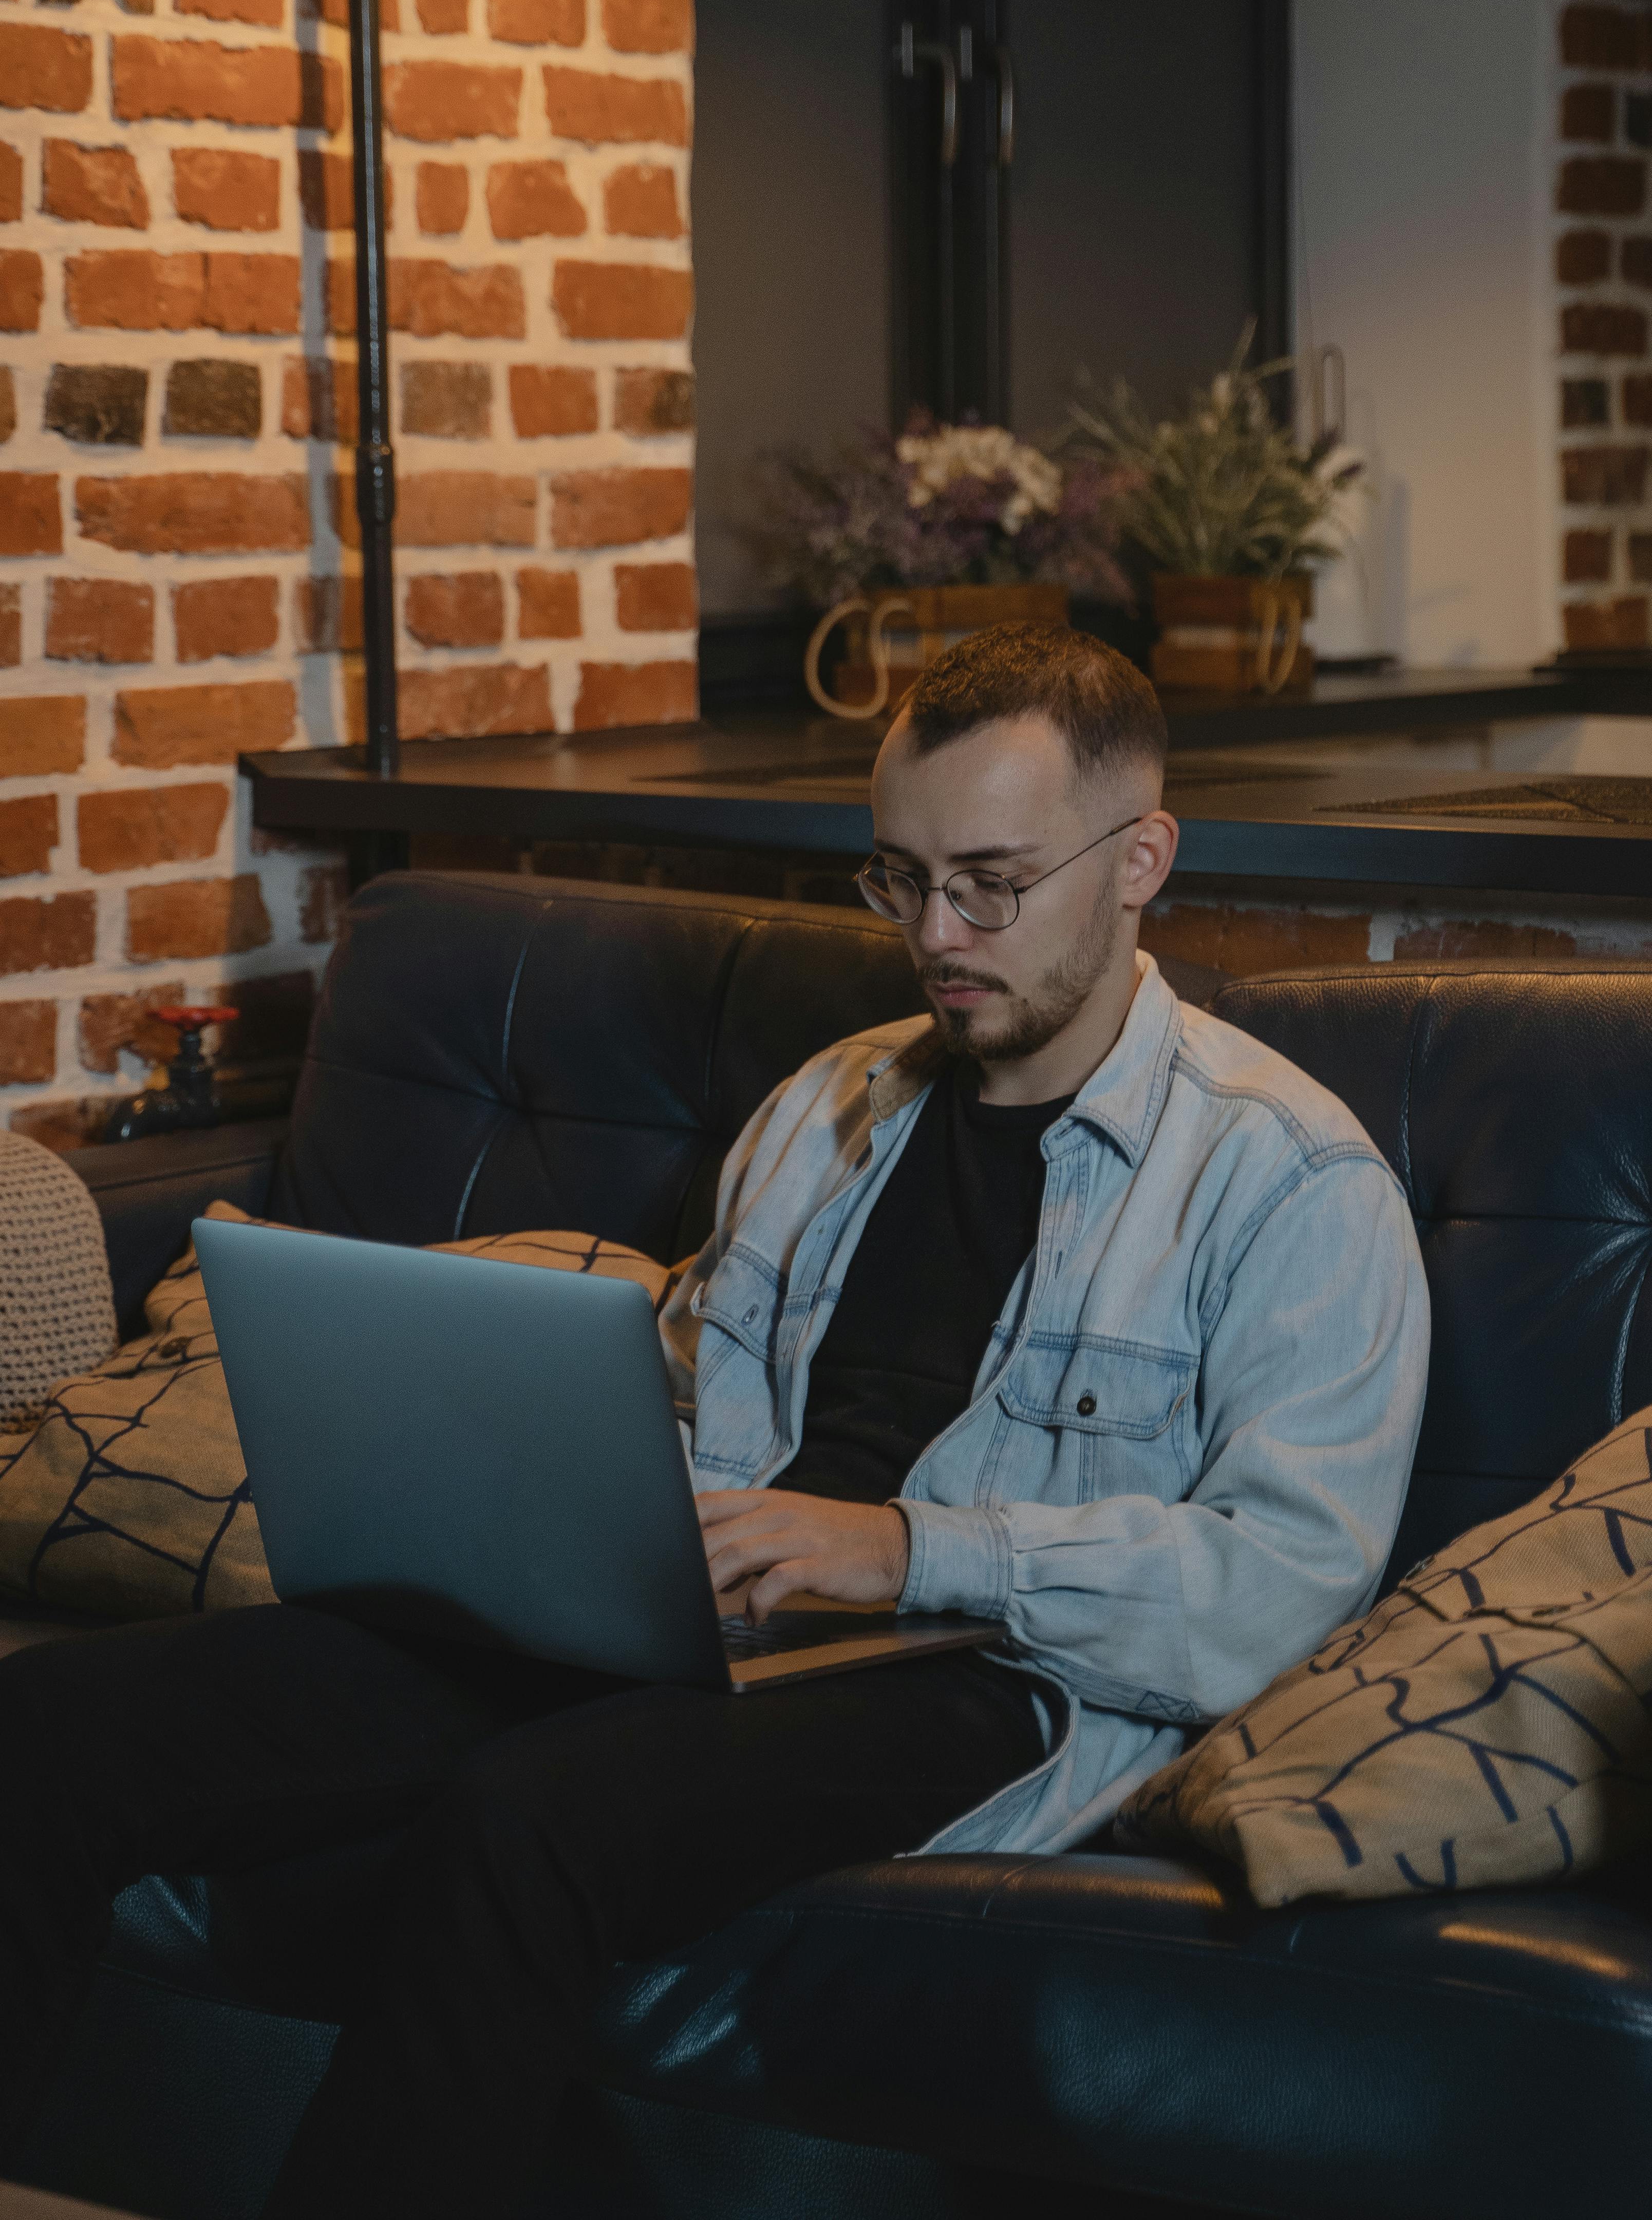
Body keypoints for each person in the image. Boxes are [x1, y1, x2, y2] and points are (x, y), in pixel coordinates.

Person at [0, 626, 1428, 2219]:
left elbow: (1287, 1585)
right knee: (60, 1729)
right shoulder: (828, 1108)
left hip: (984, 1671)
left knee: (534, 1817)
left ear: (1141, 855)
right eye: (898, 880)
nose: (938, 935)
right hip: (693, 1613)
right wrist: (531, 1516)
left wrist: (901, 1552)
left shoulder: (1288, 1180)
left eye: (990, 884)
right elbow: (680, 1394)